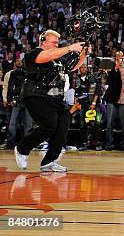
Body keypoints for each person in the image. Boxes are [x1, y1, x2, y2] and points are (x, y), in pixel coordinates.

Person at [14, 30, 87, 172]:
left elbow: (70, 68)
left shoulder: (56, 59)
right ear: (43, 41)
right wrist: (70, 48)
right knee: (49, 125)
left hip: (54, 98)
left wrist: (84, 53)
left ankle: (49, 161)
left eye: (57, 43)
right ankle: (22, 149)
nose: (57, 45)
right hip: (36, 95)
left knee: (63, 123)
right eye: (54, 42)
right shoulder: (34, 53)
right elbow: (43, 57)